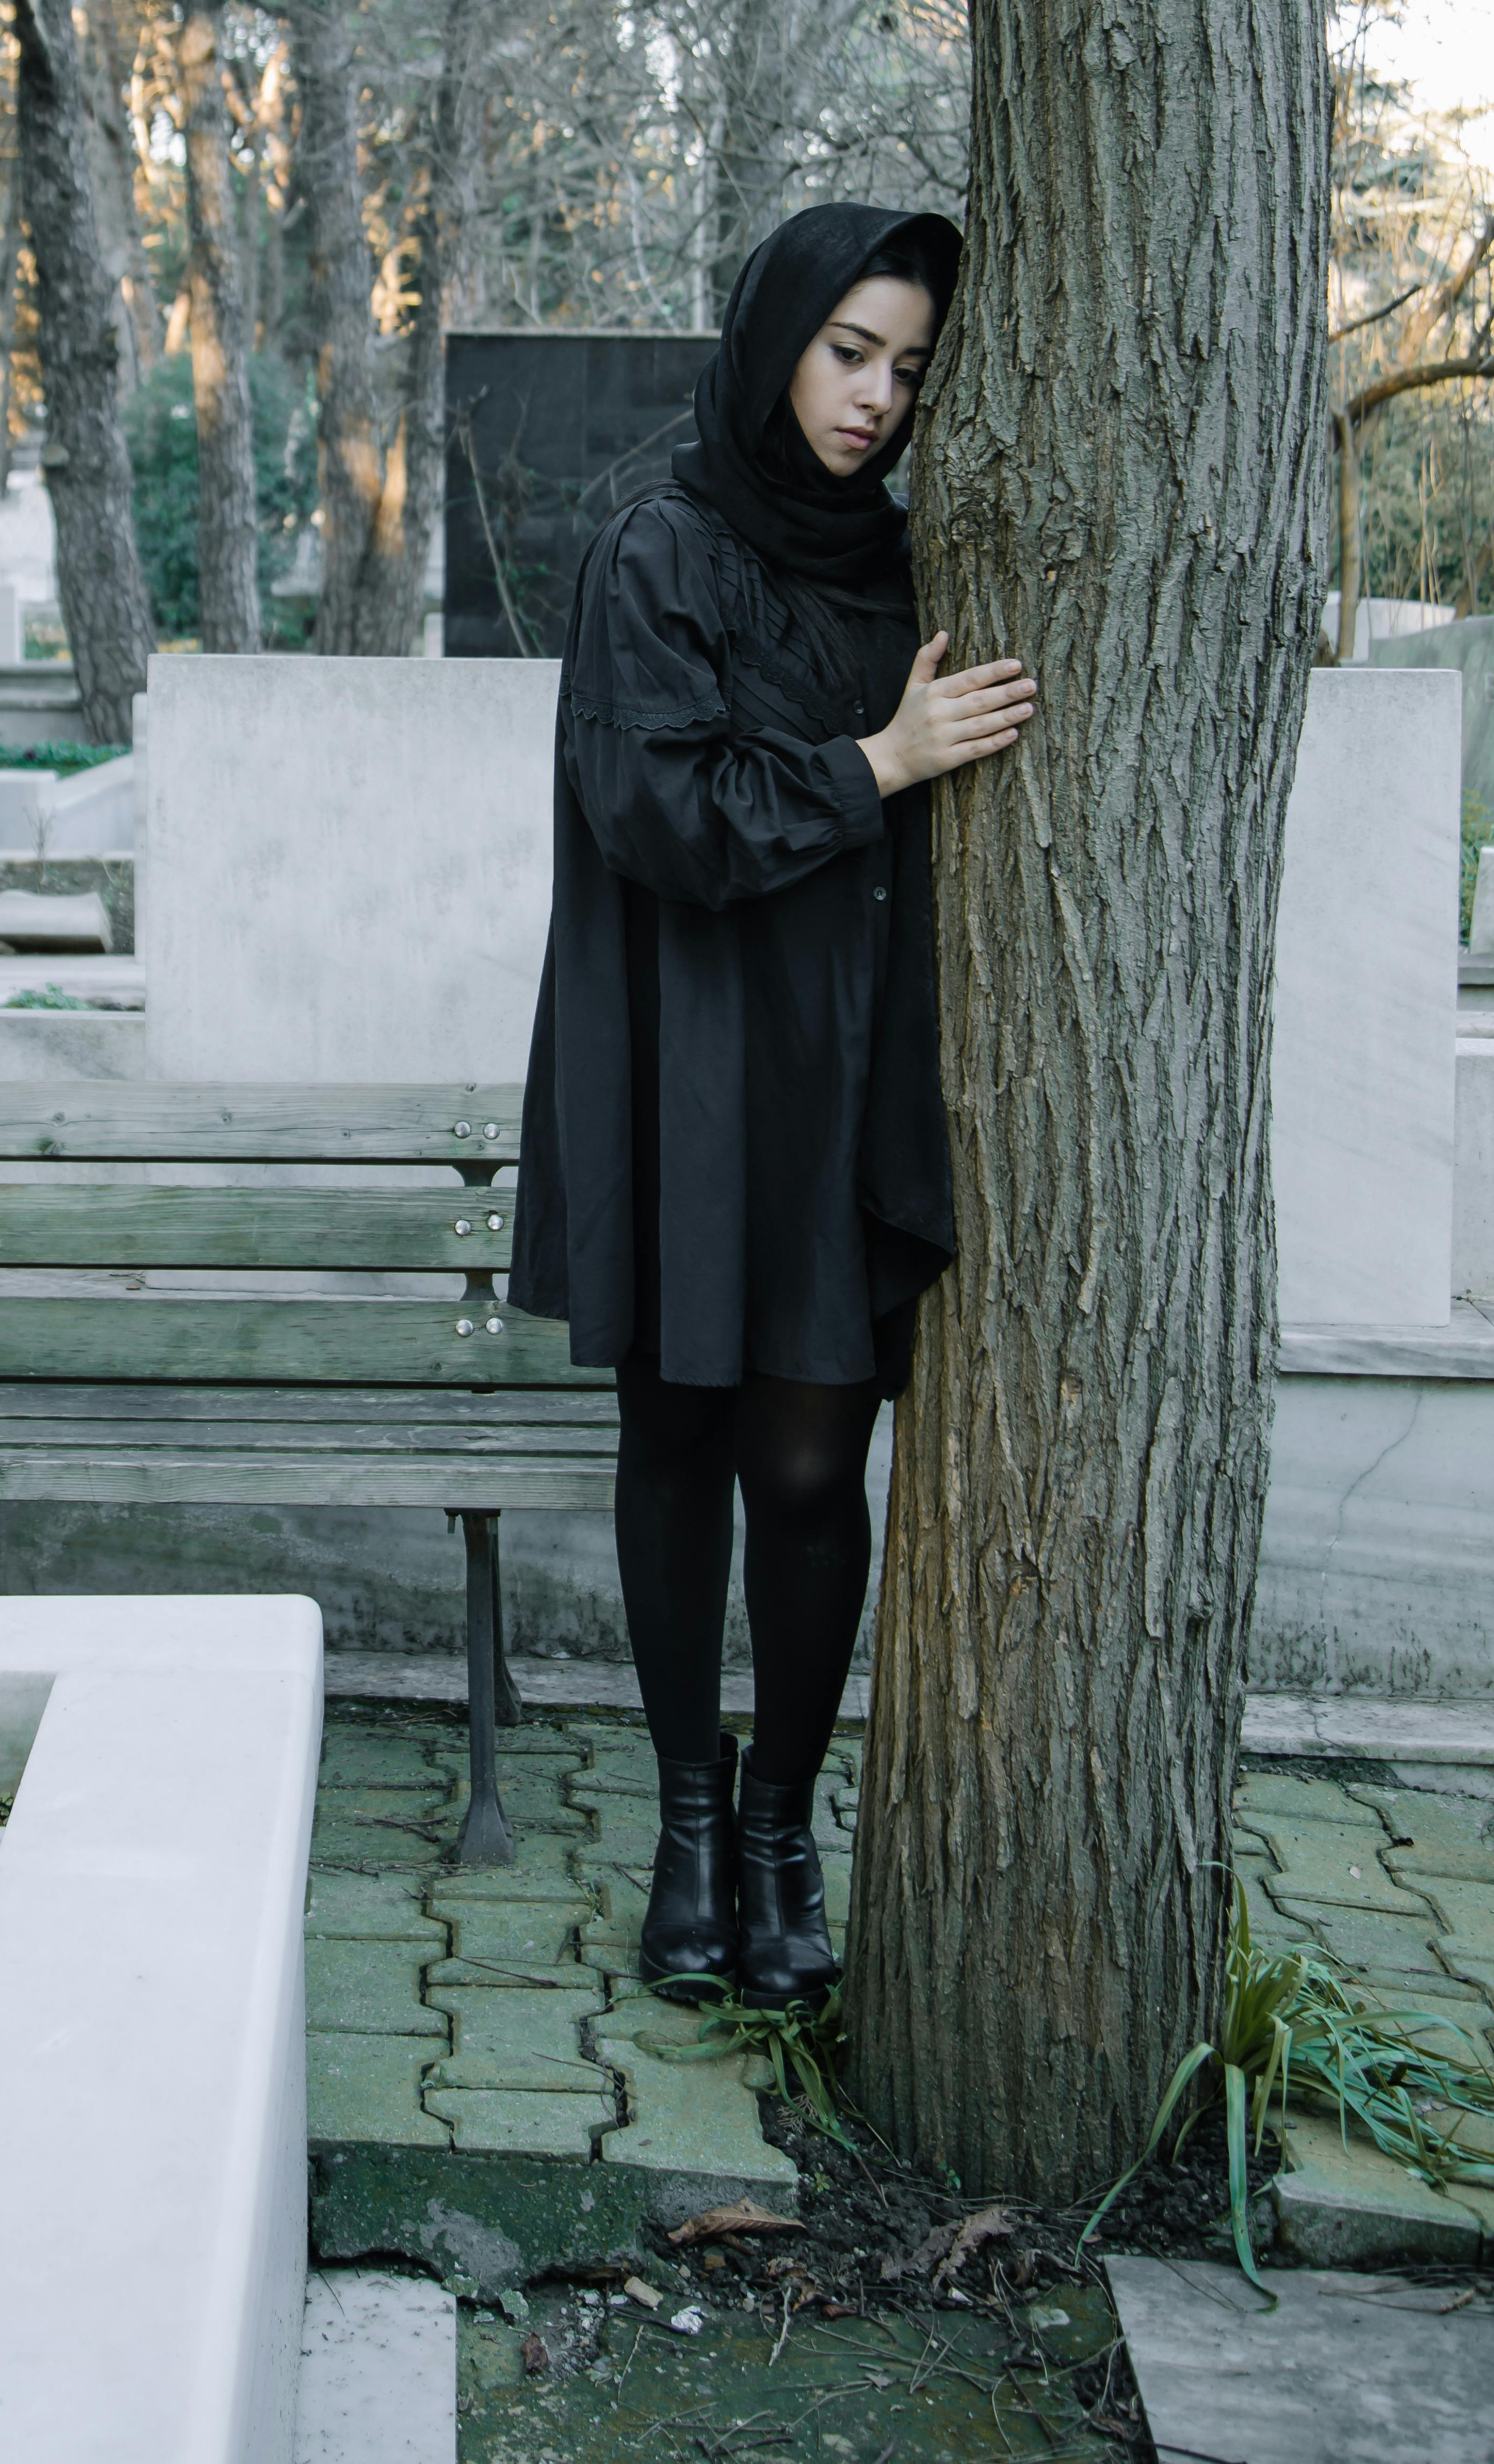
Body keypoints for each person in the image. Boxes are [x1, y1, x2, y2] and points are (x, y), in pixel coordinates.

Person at [510, 204, 1036, 2009]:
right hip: (681, 1060)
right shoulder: (660, 545)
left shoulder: (903, 562)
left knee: (811, 1467)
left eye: (907, 366)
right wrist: (878, 762)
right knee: (679, 1448)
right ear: (775, 339)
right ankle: (679, 1827)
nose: (877, 398)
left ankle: (778, 1831)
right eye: (848, 352)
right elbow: (654, 809)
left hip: (833, 1072)